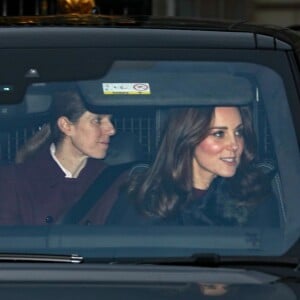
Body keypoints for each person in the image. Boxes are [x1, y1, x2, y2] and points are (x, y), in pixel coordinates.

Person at [107, 106, 280, 226]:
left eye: (238, 132)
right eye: (219, 134)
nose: (234, 144)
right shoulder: (147, 199)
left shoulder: (254, 195)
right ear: (188, 138)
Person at [0, 89, 119, 225]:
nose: (111, 129)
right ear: (66, 126)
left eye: (110, 120)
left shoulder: (113, 181)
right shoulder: (13, 181)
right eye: (97, 120)